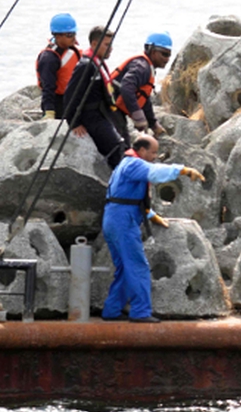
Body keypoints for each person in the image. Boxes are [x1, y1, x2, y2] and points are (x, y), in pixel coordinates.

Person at [101, 136, 204, 323]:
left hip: (115, 217)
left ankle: (112, 310)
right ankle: (140, 312)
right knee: (137, 264)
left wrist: (151, 216)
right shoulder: (133, 164)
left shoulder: (124, 165)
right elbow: (155, 172)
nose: (155, 156)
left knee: (125, 267)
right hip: (122, 220)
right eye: (153, 152)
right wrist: (183, 170)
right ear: (141, 150)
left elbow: (128, 197)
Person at [64, 26, 125, 169]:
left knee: (123, 143)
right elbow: (70, 94)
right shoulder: (86, 66)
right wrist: (74, 122)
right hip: (90, 116)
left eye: (111, 44)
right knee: (115, 147)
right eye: (106, 45)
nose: (110, 48)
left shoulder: (98, 63)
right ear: (94, 44)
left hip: (102, 113)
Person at [111, 32, 172, 140]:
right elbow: (127, 87)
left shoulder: (146, 67)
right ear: (153, 52)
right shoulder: (141, 67)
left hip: (115, 110)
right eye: (164, 54)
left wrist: (153, 124)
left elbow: (144, 97)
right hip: (109, 108)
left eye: (169, 55)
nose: (167, 59)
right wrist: (137, 115)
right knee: (121, 145)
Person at [35, 13, 80, 119]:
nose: (73, 38)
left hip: (74, 98)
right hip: (59, 103)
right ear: (57, 36)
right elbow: (48, 86)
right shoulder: (49, 58)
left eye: (74, 33)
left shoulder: (71, 49)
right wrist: (49, 111)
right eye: (69, 35)